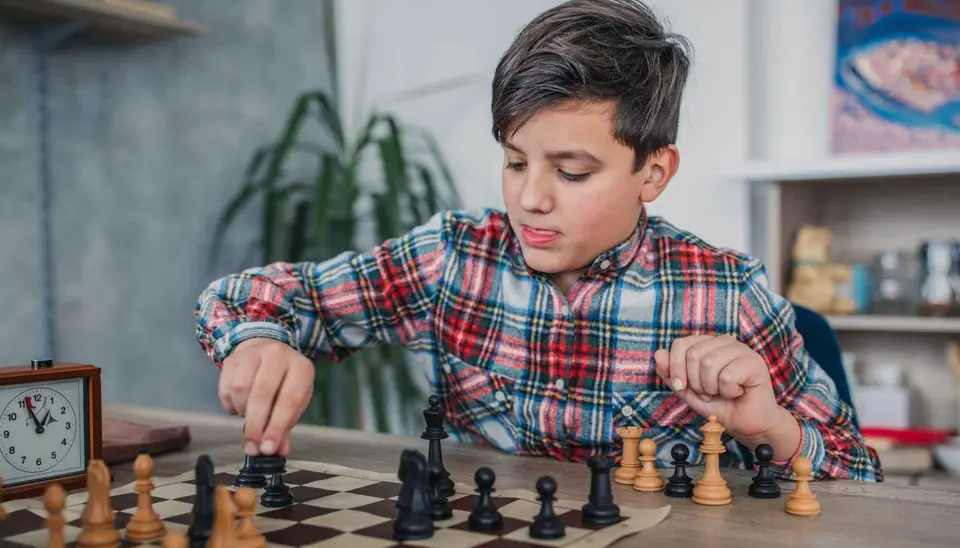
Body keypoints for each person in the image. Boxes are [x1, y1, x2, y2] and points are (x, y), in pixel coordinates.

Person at [194, 0, 883, 482]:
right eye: (517, 162)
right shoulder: (453, 258)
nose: (530, 198)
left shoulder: (724, 293)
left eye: (572, 171)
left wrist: (765, 425)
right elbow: (246, 296)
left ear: (654, 172)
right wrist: (260, 337)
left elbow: (860, 471)